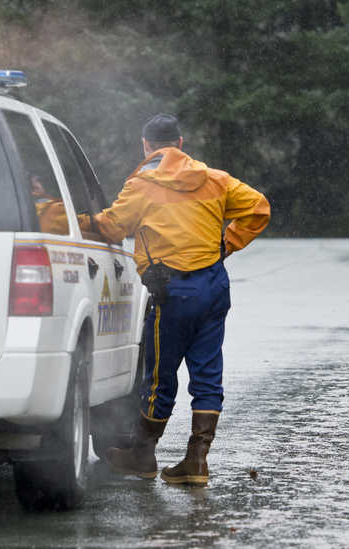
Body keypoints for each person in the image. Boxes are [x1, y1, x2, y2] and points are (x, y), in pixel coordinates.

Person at [83, 113, 270, 485]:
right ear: (181, 144)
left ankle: (142, 454)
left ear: (146, 145)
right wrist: (225, 244)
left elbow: (111, 227)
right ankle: (197, 460)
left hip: (172, 291)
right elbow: (259, 208)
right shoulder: (216, 180)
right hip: (214, 286)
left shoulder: (142, 185)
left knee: (160, 375)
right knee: (207, 373)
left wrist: (67, 218)